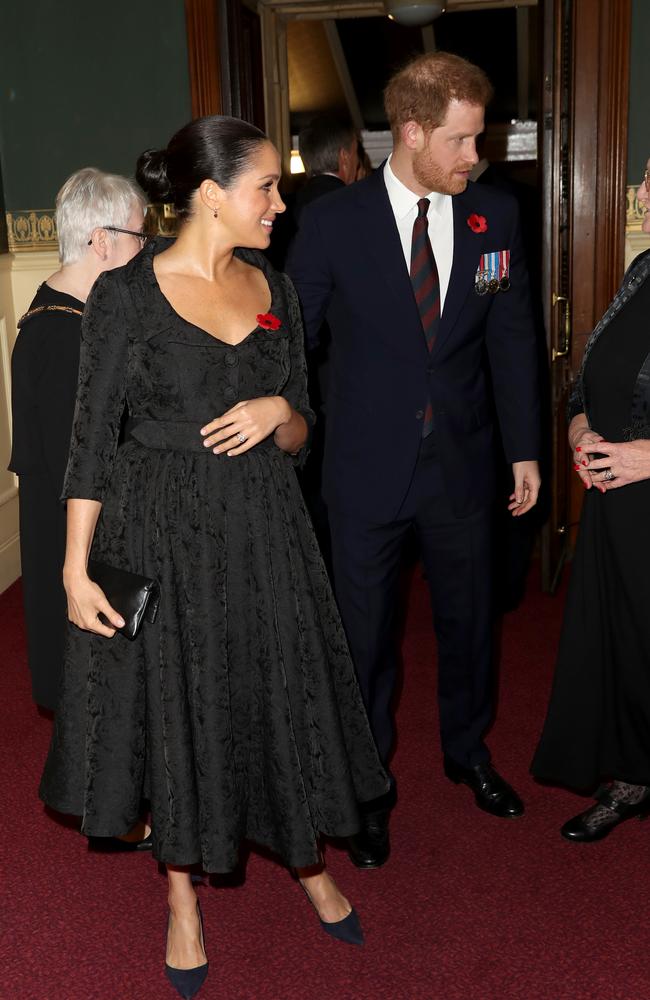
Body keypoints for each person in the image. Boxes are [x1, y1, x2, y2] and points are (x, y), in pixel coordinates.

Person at [38, 116, 388, 999]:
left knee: (273, 685)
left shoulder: (274, 283)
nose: (280, 202)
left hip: (265, 530)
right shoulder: (125, 295)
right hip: (156, 528)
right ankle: (182, 897)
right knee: (177, 703)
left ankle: (305, 856)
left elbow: (303, 429)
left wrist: (279, 414)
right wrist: (75, 570)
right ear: (209, 195)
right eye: (266, 187)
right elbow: (90, 446)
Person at [287, 51, 541, 871]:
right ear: (413, 131)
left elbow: (510, 342)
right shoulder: (331, 223)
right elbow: (294, 342)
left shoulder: (494, 218)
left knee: (470, 624)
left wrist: (526, 450)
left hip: (466, 466)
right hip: (363, 470)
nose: (479, 157)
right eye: (464, 141)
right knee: (365, 638)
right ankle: (366, 787)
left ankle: (467, 751)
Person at [531, 160, 650, 841]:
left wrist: (646, 456)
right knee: (624, 643)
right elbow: (590, 375)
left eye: (647, 184)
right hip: (615, 504)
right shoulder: (642, 271)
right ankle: (633, 775)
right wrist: (578, 427)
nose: (635, 194)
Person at [9, 168, 146, 712]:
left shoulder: (66, 315)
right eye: (140, 236)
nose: (146, 250)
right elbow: (85, 463)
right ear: (102, 242)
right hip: (76, 533)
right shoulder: (64, 335)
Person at [294, 115, 359, 224]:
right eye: (356, 152)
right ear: (345, 157)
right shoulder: (355, 206)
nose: (357, 162)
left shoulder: (284, 209)